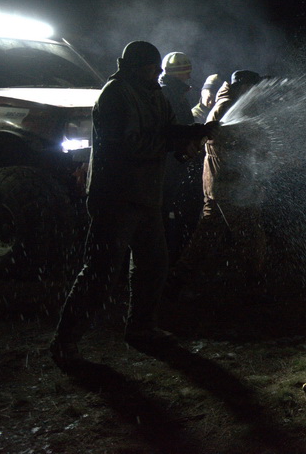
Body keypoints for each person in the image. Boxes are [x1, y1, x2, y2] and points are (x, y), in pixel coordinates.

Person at [49, 41, 214, 369]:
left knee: (154, 265)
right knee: (100, 271)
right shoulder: (114, 95)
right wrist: (175, 141)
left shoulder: (153, 94)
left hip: (146, 196)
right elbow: (129, 144)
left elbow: (167, 128)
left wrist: (195, 131)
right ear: (136, 67)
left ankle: (141, 328)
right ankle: (65, 341)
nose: (156, 74)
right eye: (151, 69)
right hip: (115, 197)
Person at [169, 69, 267, 293]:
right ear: (243, 87)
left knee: (207, 232)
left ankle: (178, 278)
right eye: (253, 87)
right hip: (229, 183)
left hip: (224, 181)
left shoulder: (233, 104)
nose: (257, 91)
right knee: (250, 233)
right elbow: (218, 142)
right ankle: (254, 281)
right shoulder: (226, 107)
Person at [159, 52, 199, 263]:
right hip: (170, 164)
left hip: (172, 162)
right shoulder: (170, 94)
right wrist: (195, 134)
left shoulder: (171, 92)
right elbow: (175, 129)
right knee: (167, 210)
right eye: (186, 72)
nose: (189, 76)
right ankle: (169, 259)